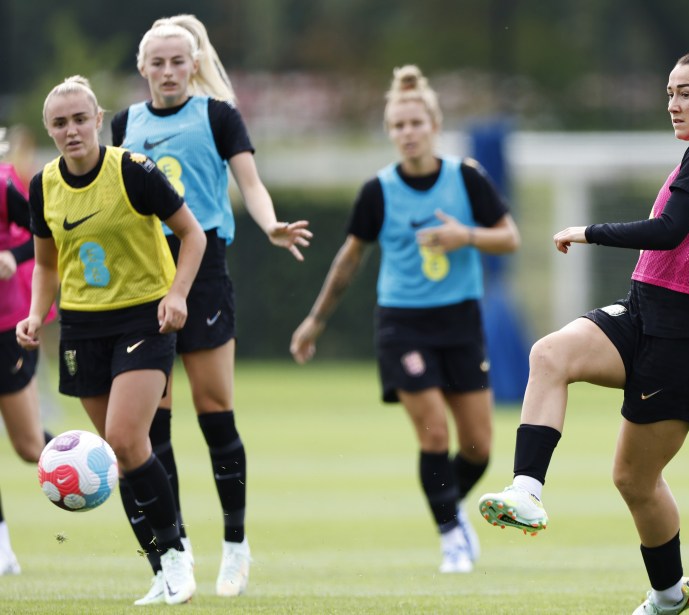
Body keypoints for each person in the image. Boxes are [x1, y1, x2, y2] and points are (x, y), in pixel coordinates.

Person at [477, 41, 689, 614]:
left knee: (634, 479)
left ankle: (666, 596)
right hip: (642, 312)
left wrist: (589, 231)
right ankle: (526, 491)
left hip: (686, 341)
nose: (673, 105)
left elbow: (669, 231)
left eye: (686, 94)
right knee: (550, 355)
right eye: (669, 94)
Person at [111, 14, 311, 601]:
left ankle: (235, 544)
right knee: (155, 424)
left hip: (205, 274)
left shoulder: (218, 116)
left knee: (215, 409)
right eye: (159, 62)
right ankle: (177, 551)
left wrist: (270, 222)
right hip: (148, 279)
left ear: (194, 64)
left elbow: (249, 183)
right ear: (143, 68)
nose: (169, 71)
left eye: (179, 61)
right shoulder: (126, 124)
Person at [290, 65, 521, 574]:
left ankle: (447, 509)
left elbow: (510, 237)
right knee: (434, 435)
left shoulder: (466, 177)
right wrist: (315, 320)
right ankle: (450, 537)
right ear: (390, 132)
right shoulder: (379, 190)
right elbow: (349, 259)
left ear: (434, 124)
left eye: (415, 123)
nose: (407, 133)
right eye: (397, 126)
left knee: (479, 447)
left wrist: (467, 237)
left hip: (460, 319)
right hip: (403, 324)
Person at [15, 75, 206, 604]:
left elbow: (193, 235)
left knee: (124, 438)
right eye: (60, 123)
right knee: (122, 458)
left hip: (145, 317)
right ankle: (159, 570)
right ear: (49, 130)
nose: (71, 130)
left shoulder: (132, 172)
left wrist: (178, 295)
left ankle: (176, 554)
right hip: (82, 326)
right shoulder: (43, 185)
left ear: (98, 120)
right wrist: (36, 315)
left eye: (80, 119)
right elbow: (47, 263)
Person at [0, 127, 56, 576]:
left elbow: (43, 233)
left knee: (28, 445)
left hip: (7, 328)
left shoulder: (4, 186)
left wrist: (13, 257)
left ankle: (108, 460)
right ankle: (3, 552)